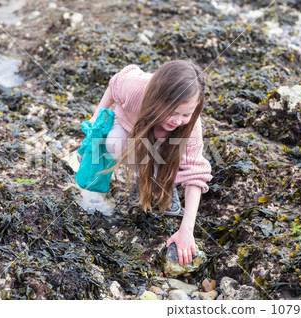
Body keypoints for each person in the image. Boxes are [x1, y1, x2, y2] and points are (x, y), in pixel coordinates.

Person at [88, 60, 212, 265]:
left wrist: (186, 230)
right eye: (172, 112)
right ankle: (143, 178)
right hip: (132, 129)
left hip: (167, 146)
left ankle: (162, 183)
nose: (178, 120)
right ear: (156, 97)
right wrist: (96, 117)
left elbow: (196, 173)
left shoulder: (190, 126)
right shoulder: (135, 87)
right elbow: (114, 85)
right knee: (114, 143)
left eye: (186, 114)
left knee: (170, 150)